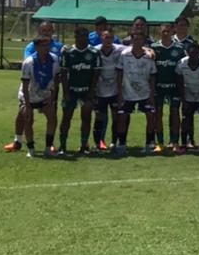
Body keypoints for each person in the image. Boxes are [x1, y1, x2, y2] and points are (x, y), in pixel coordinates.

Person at [5, 22, 61, 151]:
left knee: (52, 114)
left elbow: (59, 68)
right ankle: (17, 141)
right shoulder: (32, 46)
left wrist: (54, 86)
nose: (46, 32)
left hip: (49, 87)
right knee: (23, 114)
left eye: (48, 30)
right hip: (32, 87)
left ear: (52, 31)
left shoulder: (58, 46)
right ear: (39, 31)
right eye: (43, 30)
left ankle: (50, 144)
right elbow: (30, 63)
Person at [57, 26, 99, 156]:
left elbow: (96, 73)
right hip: (72, 90)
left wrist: (92, 92)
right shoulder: (68, 52)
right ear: (75, 37)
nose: (82, 38)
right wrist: (66, 93)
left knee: (86, 117)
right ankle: (62, 146)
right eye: (79, 35)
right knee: (66, 118)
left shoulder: (93, 52)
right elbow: (63, 74)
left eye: (85, 36)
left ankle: (83, 145)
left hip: (87, 91)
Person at [116, 29, 156, 155]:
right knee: (122, 117)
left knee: (150, 116)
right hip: (128, 92)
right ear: (131, 40)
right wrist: (120, 93)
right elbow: (120, 73)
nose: (137, 41)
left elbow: (153, 75)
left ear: (143, 41)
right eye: (135, 39)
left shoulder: (149, 56)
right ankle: (122, 144)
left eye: (140, 39)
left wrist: (151, 94)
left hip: (144, 92)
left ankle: (149, 144)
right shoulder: (124, 54)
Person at [20, 34, 60, 158]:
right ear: (36, 48)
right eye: (43, 46)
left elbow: (56, 79)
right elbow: (25, 85)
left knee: (52, 117)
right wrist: (28, 105)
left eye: (47, 45)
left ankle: (48, 147)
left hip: (44, 95)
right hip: (29, 96)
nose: (46, 48)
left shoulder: (54, 59)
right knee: (28, 119)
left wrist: (52, 98)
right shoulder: (29, 62)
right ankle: (31, 149)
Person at [152, 23, 185, 152]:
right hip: (158, 86)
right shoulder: (154, 47)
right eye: (163, 31)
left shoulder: (179, 48)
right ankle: (160, 143)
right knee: (157, 114)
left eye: (168, 31)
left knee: (175, 113)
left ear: (172, 32)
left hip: (174, 86)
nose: (165, 33)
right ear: (159, 32)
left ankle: (174, 142)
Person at [176, 42, 199, 153]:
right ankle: (184, 143)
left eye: (196, 52)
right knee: (186, 119)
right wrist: (184, 100)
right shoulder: (181, 64)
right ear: (187, 53)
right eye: (191, 53)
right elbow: (179, 83)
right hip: (188, 95)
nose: (193, 55)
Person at [91, 29, 122, 152]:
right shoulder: (95, 50)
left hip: (114, 90)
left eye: (110, 38)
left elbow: (134, 48)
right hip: (99, 91)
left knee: (116, 117)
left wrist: (149, 50)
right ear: (101, 38)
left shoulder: (119, 49)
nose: (108, 40)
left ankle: (114, 142)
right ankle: (97, 144)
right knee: (99, 117)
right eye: (105, 37)